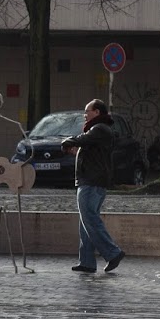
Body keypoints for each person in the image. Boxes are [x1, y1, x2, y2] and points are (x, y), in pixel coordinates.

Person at [60, 99, 125, 274]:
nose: (85, 115)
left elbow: (81, 139)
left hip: (91, 181)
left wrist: (67, 141)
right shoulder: (100, 130)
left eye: (87, 111)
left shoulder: (99, 129)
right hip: (91, 180)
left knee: (89, 219)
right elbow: (90, 150)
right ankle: (87, 262)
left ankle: (113, 253)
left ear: (97, 112)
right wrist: (76, 150)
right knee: (86, 222)